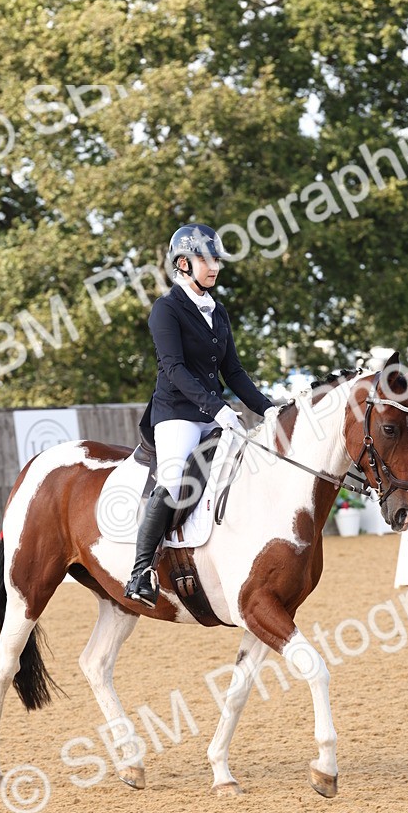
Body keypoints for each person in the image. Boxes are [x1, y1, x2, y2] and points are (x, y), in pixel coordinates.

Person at [124, 223, 274, 606]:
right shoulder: (166, 309)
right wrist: (217, 408)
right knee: (173, 480)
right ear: (183, 263)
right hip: (176, 414)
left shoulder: (217, 311)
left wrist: (270, 410)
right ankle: (140, 571)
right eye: (206, 260)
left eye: (217, 260)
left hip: (215, 413)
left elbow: (234, 372)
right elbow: (174, 369)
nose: (215, 267)